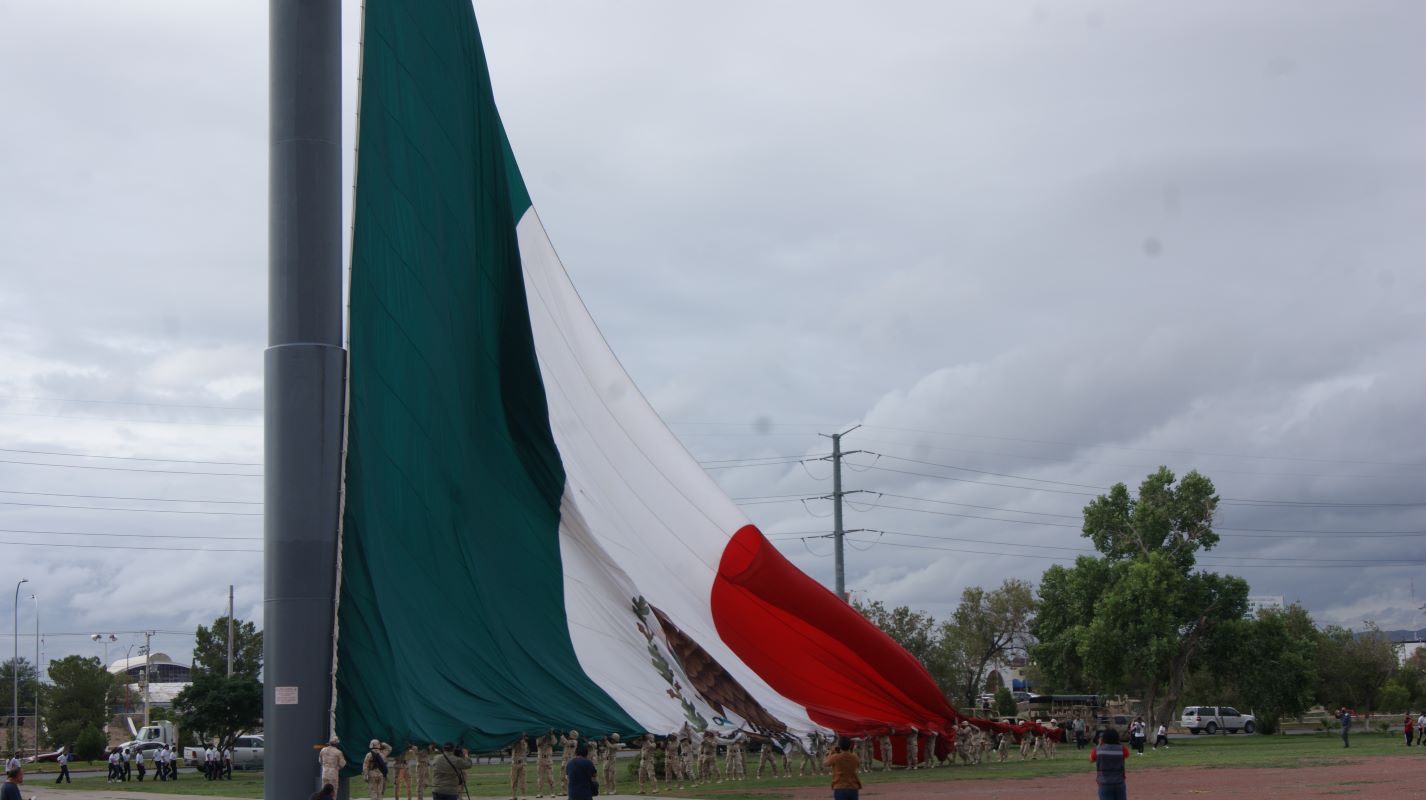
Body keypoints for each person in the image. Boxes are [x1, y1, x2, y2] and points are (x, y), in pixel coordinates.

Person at [1090, 727, 1130, 800]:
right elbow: (1127, 755)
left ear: (1104, 738)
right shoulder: (1122, 749)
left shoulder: (1098, 750)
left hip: (1104, 783)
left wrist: (1099, 744)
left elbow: (1092, 759)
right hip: (1119, 782)